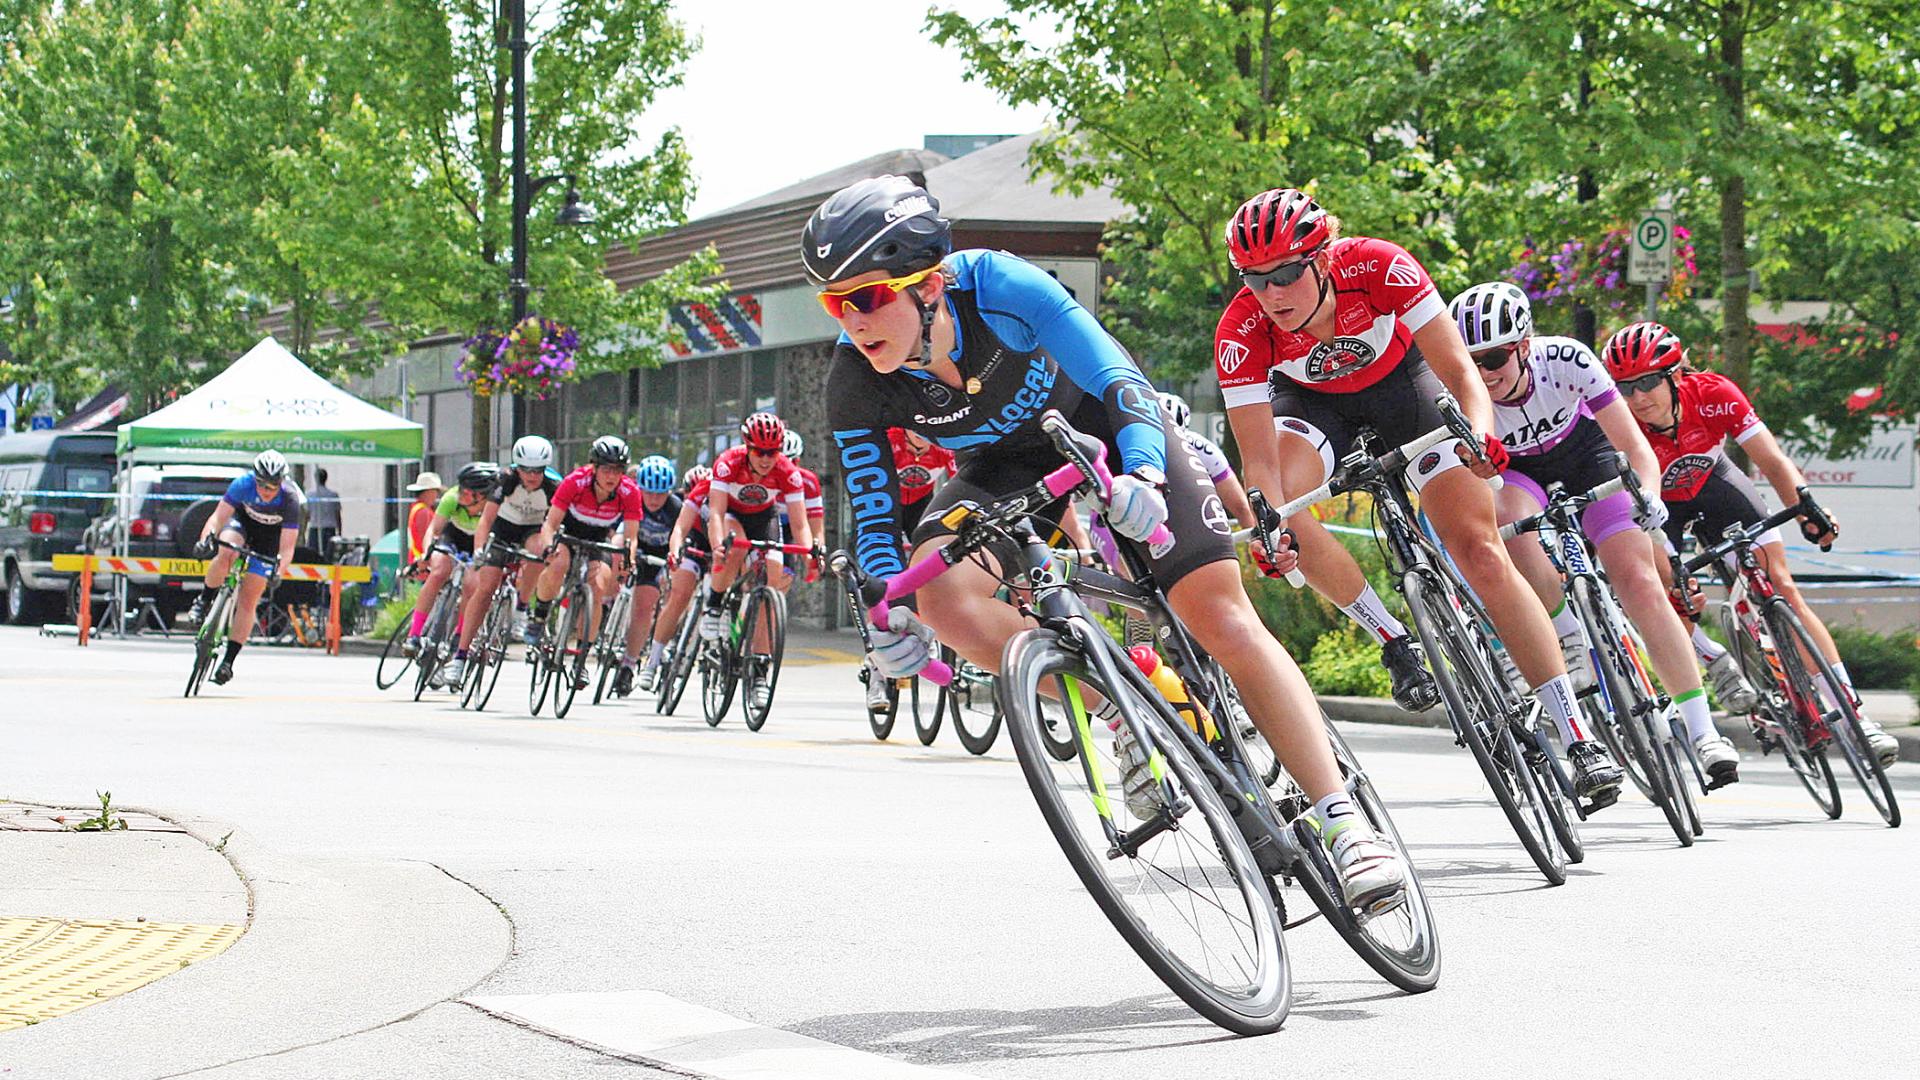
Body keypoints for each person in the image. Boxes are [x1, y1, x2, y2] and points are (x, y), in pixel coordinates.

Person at [809, 174, 1406, 909]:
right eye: (833, 302)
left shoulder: (998, 285)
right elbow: (872, 516)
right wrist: (885, 609)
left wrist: (1146, 476)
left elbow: (1117, 376)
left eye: (865, 296)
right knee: (938, 593)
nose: (851, 320)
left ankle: (1346, 823)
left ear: (927, 285)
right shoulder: (854, 378)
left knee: (1218, 616)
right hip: (1002, 469)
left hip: (1112, 432)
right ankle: (1123, 709)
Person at [1213, 187, 1623, 807]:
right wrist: (1271, 531)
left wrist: (1481, 435)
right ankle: (1392, 638)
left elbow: (1460, 373)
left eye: (1287, 273)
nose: (1271, 294)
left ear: (1323, 258)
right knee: (1283, 510)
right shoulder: (1241, 329)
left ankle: (1575, 732)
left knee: (1481, 552)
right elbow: (1260, 463)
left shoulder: (1379, 265)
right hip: (1315, 407)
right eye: (1255, 279)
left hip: (1405, 387)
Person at [1450, 283, 1741, 786]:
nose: (1485, 373)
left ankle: (1702, 729)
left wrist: (1649, 494)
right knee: (1508, 524)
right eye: (1472, 361)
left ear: (1524, 345)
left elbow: (1633, 444)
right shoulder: (1460, 390)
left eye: (1495, 357)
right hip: (1518, 472)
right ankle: (1565, 632)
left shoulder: (1567, 359)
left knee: (1640, 582)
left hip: (1588, 454)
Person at [1603, 321, 1900, 768]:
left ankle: (1856, 716)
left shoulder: (1715, 393)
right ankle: (1709, 666)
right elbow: (1635, 519)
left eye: (1647, 382)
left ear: (1676, 375)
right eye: (1625, 388)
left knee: (1780, 587)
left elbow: (1772, 460)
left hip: (1717, 484)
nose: (1637, 398)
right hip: (1660, 507)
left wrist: (1806, 509)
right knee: (1672, 601)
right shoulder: (1619, 424)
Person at [527, 437, 642, 692]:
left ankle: (582, 657)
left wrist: (628, 559)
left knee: (599, 585)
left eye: (618, 470)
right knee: (558, 565)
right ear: (594, 467)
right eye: (607, 469)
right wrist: (548, 547)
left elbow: (632, 537)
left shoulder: (630, 491)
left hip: (599, 538)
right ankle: (540, 614)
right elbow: (550, 524)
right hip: (569, 532)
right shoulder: (575, 481)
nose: (613, 476)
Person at [444, 436, 557, 689]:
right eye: (526, 470)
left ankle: (521, 608)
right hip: (503, 529)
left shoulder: (552, 487)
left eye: (538, 471)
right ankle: (460, 656)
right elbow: (485, 521)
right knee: (485, 588)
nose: (532, 476)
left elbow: (553, 524)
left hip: (532, 530)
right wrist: (479, 553)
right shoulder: (505, 480)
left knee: (540, 548)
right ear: (517, 467)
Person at [188, 450, 303, 685]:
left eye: (272, 487)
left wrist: (278, 571)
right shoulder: (243, 484)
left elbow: (288, 545)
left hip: (269, 539)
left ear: (281, 482)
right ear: (254, 478)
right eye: (261, 485)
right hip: (242, 524)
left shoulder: (290, 499)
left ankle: (228, 662)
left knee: (249, 598)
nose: (266, 491)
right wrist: (205, 539)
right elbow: (217, 518)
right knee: (226, 550)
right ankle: (203, 601)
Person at [700, 412, 814, 639]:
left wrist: (810, 555)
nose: (765, 459)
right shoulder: (728, 462)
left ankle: (760, 664)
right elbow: (716, 512)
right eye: (758, 452)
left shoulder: (788, 472)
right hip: (730, 513)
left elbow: (800, 524)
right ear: (747, 447)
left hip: (763, 517)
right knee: (737, 547)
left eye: (772, 453)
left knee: (773, 579)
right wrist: (717, 547)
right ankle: (713, 605)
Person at [406, 463, 495, 685]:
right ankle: (414, 635)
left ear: (482, 496)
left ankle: (458, 638)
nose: (462, 494)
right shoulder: (452, 498)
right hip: (452, 537)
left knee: (472, 586)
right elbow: (434, 531)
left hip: (479, 543)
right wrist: (426, 554)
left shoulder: (494, 508)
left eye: (468, 492)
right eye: (461, 489)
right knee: (439, 572)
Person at [612, 455, 683, 697]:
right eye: (648, 493)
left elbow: (680, 542)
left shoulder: (675, 509)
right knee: (616, 548)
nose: (653, 499)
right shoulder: (632, 501)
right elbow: (619, 533)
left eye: (660, 494)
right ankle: (610, 597)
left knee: (646, 604)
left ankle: (629, 665)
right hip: (635, 547)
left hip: (660, 557)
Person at [405, 472, 444, 566]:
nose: (436, 495)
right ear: (428, 491)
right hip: (423, 561)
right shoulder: (423, 512)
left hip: (418, 559)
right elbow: (425, 537)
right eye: (436, 491)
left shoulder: (417, 508)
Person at [305, 467, 342, 556]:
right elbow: (337, 515)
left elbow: (307, 514)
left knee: (313, 555)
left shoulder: (310, 495)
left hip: (315, 527)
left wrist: (304, 530)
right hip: (329, 528)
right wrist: (340, 531)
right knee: (329, 555)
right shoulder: (333, 495)